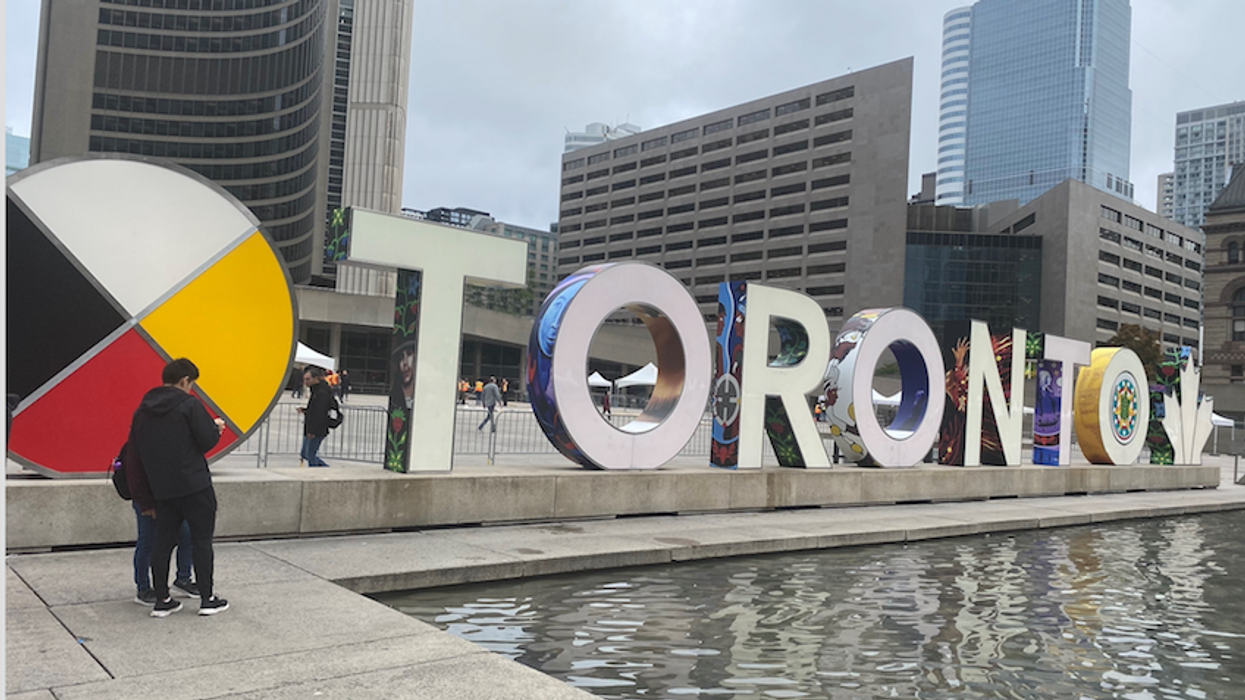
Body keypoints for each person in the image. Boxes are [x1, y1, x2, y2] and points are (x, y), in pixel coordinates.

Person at [128, 358, 228, 617]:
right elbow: (205, 440)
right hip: (195, 485)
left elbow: (134, 455)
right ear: (185, 380)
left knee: (162, 543)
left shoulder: (142, 410)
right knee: (201, 541)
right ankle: (207, 599)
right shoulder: (189, 405)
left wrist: (145, 497)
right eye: (191, 384)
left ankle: (162, 600)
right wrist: (215, 429)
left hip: (162, 489)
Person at [131, 501, 196, 606]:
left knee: (187, 537)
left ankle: (183, 579)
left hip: (170, 502)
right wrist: (146, 504)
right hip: (149, 502)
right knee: (147, 543)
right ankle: (143, 588)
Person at [298, 366, 333, 467]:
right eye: (304, 379)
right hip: (311, 426)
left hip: (316, 429)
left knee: (310, 455)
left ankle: (318, 471)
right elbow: (315, 410)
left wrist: (312, 431)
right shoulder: (315, 391)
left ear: (316, 379)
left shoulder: (321, 393)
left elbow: (320, 413)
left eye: (308, 379)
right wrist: (305, 410)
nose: (305, 382)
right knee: (305, 454)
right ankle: (324, 468)